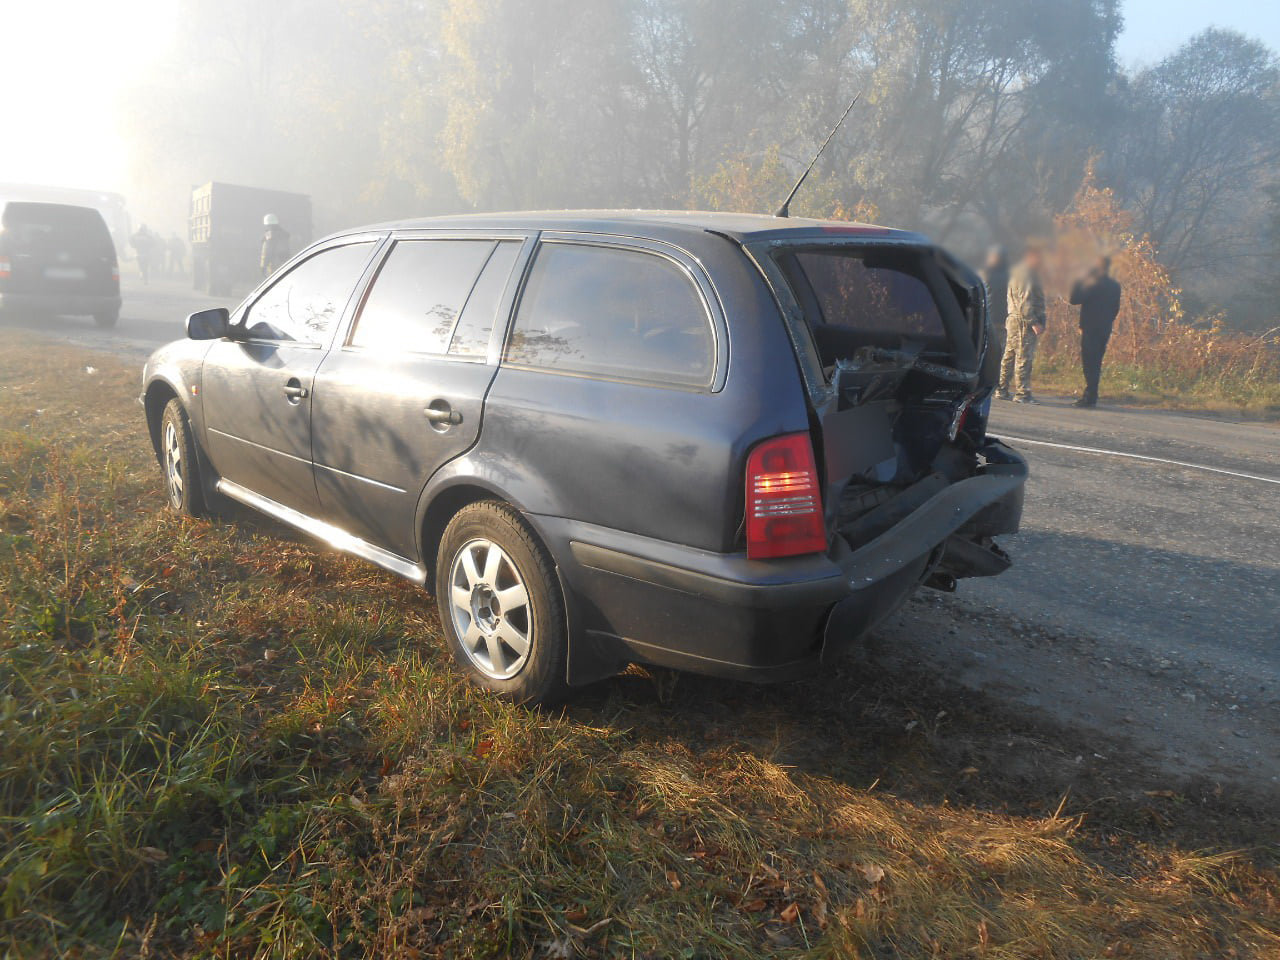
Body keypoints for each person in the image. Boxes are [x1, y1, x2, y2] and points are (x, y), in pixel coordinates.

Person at [1068, 255, 1122, 408]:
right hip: (1105, 328)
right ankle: (1092, 394)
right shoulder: (1115, 285)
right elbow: (1115, 308)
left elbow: (1074, 299)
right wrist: (1107, 321)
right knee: (1097, 361)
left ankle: (1089, 396)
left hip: (1090, 327)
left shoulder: (1091, 283)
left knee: (1089, 362)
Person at [998, 243, 1047, 403]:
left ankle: (1001, 389)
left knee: (1010, 355)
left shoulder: (1017, 272)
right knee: (1024, 357)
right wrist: (1034, 322)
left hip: (1013, 318)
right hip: (1023, 320)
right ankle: (1022, 393)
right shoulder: (1027, 274)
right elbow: (1025, 302)